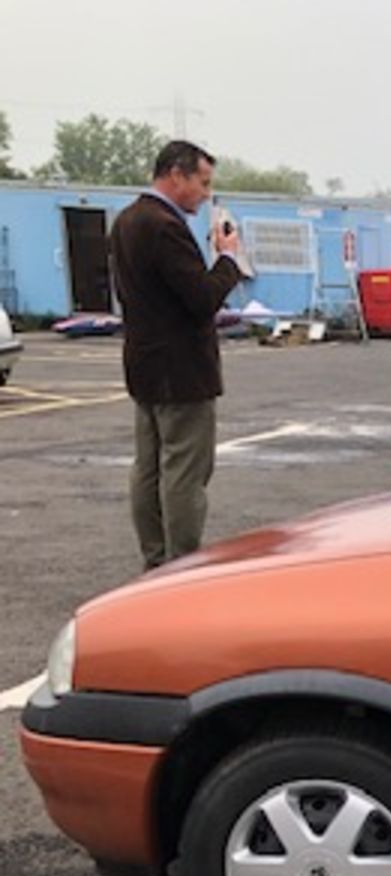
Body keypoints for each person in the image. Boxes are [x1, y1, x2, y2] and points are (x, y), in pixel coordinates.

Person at [108, 140, 245, 568]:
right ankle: (181, 566)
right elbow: (201, 298)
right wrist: (228, 261)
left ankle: (154, 560)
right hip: (181, 371)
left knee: (147, 469)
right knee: (184, 473)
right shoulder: (164, 226)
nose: (205, 195)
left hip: (144, 365)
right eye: (202, 184)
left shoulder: (127, 221)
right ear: (176, 175)